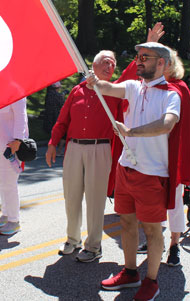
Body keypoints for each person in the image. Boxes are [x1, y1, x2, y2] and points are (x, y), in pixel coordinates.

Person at [88, 41, 181, 301]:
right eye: (138, 56)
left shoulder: (171, 94)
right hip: (125, 168)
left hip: (152, 174)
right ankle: (130, 272)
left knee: (152, 230)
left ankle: (151, 281)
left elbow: (167, 124)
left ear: (161, 63)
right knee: (126, 222)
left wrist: (131, 132)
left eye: (145, 57)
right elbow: (108, 88)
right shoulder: (132, 87)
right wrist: (94, 81)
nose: (139, 61)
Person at [45, 51, 120, 262]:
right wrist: (52, 143)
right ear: (93, 66)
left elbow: (133, 74)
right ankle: (73, 239)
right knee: (71, 196)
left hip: (100, 148)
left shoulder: (114, 91)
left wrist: (148, 45)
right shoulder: (76, 91)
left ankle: (94, 246)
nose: (109, 67)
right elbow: (62, 120)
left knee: (96, 200)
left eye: (113, 64)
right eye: (105, 63)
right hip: (74, 148)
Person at [138, 48, 190, 267]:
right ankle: (154, 240)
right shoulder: (151, 88)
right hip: (152, 154)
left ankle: (174, 244)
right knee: (150, 202)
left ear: (168, 65)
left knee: (174, 203)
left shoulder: (178, 89)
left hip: (172, 156)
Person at [0, 98, 29, 236]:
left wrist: (18, 140)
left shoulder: (16, 90)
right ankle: (6, 214)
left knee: (9, 182)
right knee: (0, 180)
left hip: (10, 144)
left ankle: (14, 220)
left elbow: (21, 115)